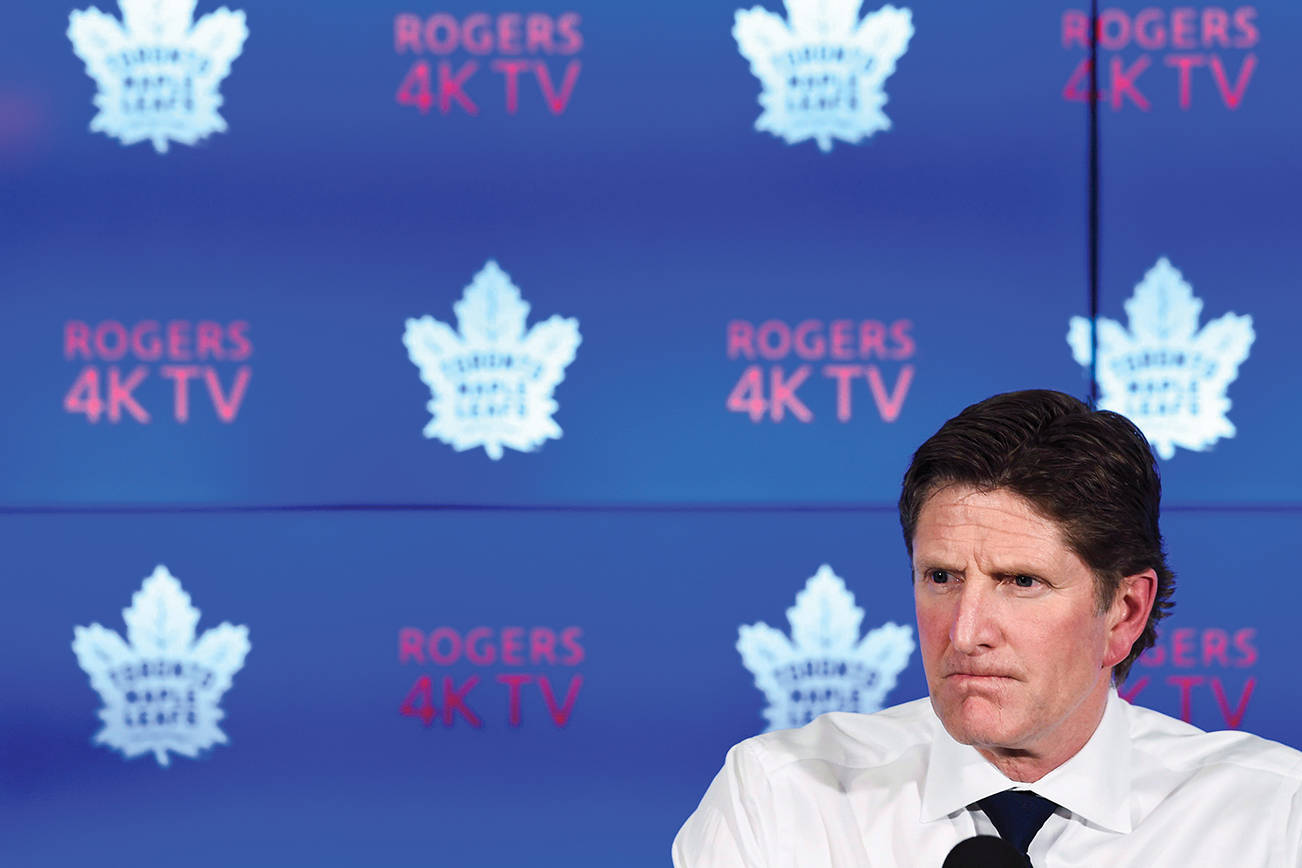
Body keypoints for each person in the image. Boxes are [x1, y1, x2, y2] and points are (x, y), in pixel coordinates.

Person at [673, 390, 1302, 867]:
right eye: (942, 578)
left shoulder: (1272, 818)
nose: (965, 631)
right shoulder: (783, 797)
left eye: (1021, 582)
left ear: (1124, 612)